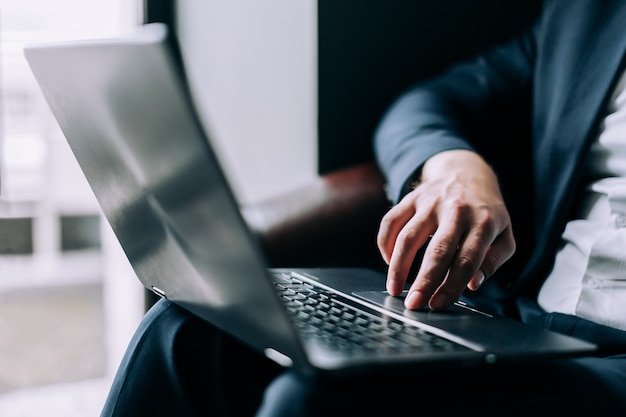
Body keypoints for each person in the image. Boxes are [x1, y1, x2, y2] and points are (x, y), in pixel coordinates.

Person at [101, 1, 626, 416]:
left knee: (320, 404)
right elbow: (429, 103)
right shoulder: (587, 10)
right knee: (188, 330)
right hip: (529, 321)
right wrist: (451, 166)